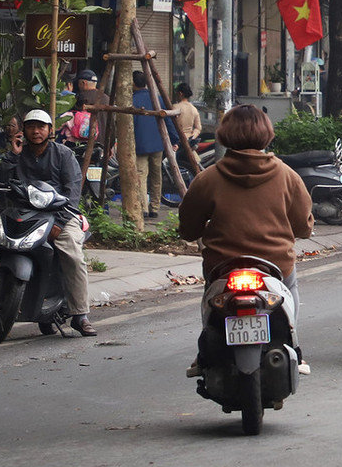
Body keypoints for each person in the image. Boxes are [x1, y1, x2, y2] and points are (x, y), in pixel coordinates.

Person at [178, 104, 313, 374]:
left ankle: (204, 351)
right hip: (276, 265)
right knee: (292, 287)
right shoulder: (289, 177)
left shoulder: (208, 179)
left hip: (222, 266)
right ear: (267, 135)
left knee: (210, 297)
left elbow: (188, 229)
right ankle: (294, 346)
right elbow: (303, 228)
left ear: (224, 135)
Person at [0, 109, 97, 336]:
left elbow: (73, 192)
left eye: (41, 127)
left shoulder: (63, 155)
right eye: (31, 127)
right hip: (24, 214)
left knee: (72, 253)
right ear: (24, 130)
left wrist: (59, 223)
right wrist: (12, 154)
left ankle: (80, 315)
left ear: (50, 131)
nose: (36, 131)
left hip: (60, 214)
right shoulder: (17, 155)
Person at [132, 71, 180, 218]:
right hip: (158, 143)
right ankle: (155, 207)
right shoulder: (157, 98)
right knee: (156, 175)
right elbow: (167, 121)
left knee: (141, 176)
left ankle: (143, 208)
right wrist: (174, 140)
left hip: (140, 144)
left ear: (133, 83)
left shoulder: (131, 101)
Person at [76, 69, 110, 141]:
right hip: (105, 141)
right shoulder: (107, 98)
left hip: (88, 141)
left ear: (83, 83)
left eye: (79, 83)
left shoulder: (82, 97)